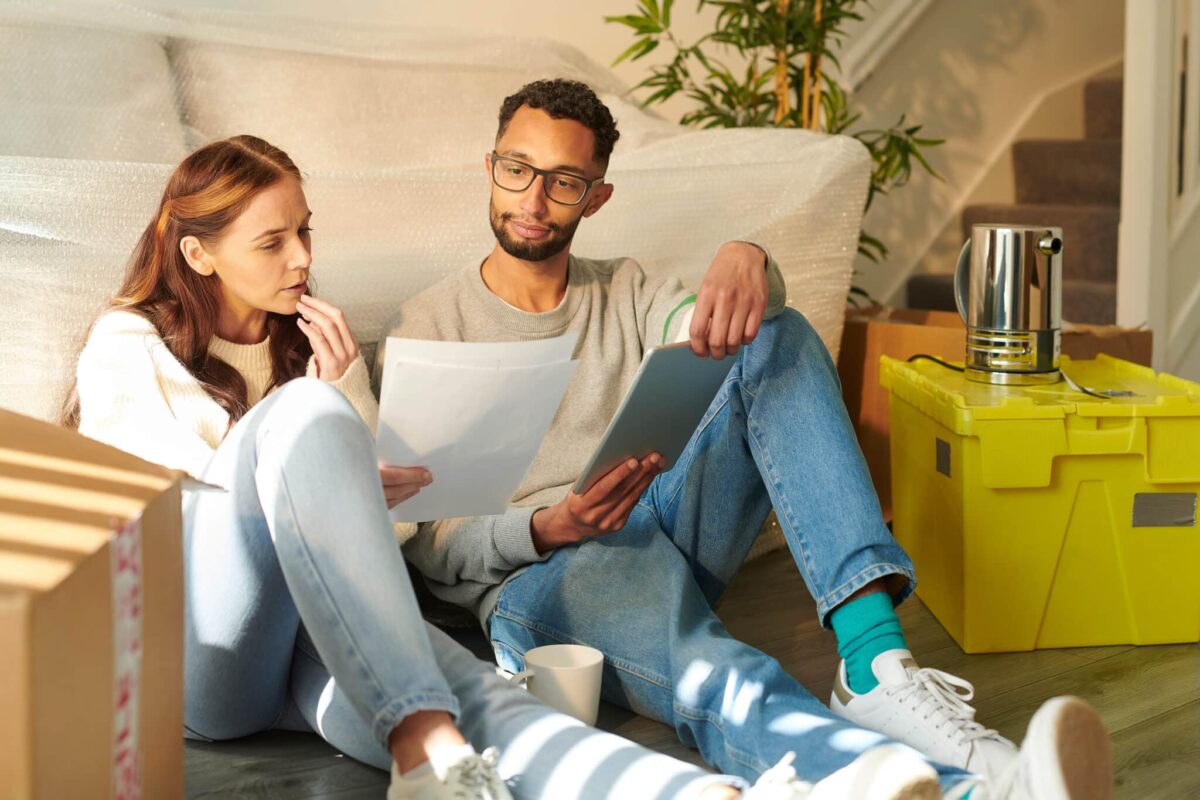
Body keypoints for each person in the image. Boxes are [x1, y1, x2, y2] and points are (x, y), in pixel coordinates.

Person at [63, 134, 940, 800]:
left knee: (483, 709)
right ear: (197, 252)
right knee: (303, 422)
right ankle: (421, 740)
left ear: (594, 196)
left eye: (304, 233)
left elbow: (397, 536)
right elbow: (165, 530)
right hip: (201, 658)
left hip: (320, 646)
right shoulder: (127, 346)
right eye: (271, 242)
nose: (301, 259)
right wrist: (314, 428)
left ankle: (694, 789)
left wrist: (346, 397)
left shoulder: (316, 353)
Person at [380, 79, 1116, 800]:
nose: (533, 200)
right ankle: (973, 791)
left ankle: (874, 664)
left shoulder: (626, 288)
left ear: (598, 196)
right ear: (492, 167)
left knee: (776, 335)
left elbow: (719, 331)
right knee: (720, 673)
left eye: (565, 182)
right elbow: (431, 545)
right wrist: (549, 525)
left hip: (665, 523)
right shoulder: (429, 324)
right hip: (543, 573)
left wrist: (751, 259)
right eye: (518, 170)